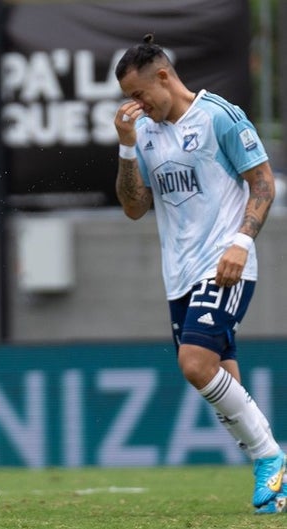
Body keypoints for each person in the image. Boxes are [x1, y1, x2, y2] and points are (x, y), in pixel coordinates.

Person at [114, 35, 285, 515]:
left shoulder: (219, 117)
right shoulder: (144, 132)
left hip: (225, 264)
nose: (137, 105)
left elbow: (263, 183)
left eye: (140, 93)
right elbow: (133, 207)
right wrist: (126, 148)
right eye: (129, 98)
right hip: (179, 274)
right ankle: (274, 490)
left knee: (194, 363)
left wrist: (241, 243)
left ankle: (271, 457)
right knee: (220, 375)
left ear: (163, 76)